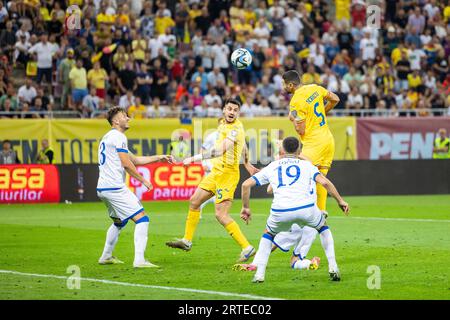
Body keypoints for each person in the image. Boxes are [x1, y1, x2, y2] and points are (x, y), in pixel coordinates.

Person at [239, 137, 349, 283]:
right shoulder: (308, 166)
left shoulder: (273, 166)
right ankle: (333, 266)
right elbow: (325, 183)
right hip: (307, 209)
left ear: (283, 150)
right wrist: (340, 201)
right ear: (299, 150)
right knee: (323, 228)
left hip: (281, 210)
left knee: (268, 234)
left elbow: (246, 185)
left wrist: (246, 208)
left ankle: (259, 274)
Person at [166, 99, 259, 262]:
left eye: (235, 110)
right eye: (229, 109)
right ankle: (187, 241)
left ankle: (247, 247)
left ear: (238, 113)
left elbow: (218, 151)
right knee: (194, 202)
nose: (232, 112)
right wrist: (248, 163)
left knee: (221, 215)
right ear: (223, 110)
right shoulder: (223, 124)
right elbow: (243, 146)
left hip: (227, 175)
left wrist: (193, 158)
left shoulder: (236, 128)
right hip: (216, 171)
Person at [97, 107, 172, 268]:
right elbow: (127, 164)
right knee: (142, 219)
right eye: (125, 116)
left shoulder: (108, 137)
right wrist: (143, 180)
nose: (128, 119)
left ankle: (106, 256)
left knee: (119, 222)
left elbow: (135, 159)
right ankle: (139, 260)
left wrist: (159, 157)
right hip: (115, 187)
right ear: (116, 121)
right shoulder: (119, 136)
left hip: (103, 189)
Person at [282, 70, 340, 215]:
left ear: (290, 85)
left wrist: (294, 120)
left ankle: (294, 213)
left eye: (284, 84)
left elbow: (301, 130)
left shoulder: (295, 101)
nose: (283, 87)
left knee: (298, 174)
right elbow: (335, 99)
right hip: (328, 139)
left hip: (314, 143)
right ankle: (321, 212)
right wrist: (323, 112)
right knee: (320, 178)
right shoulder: (315, 88)